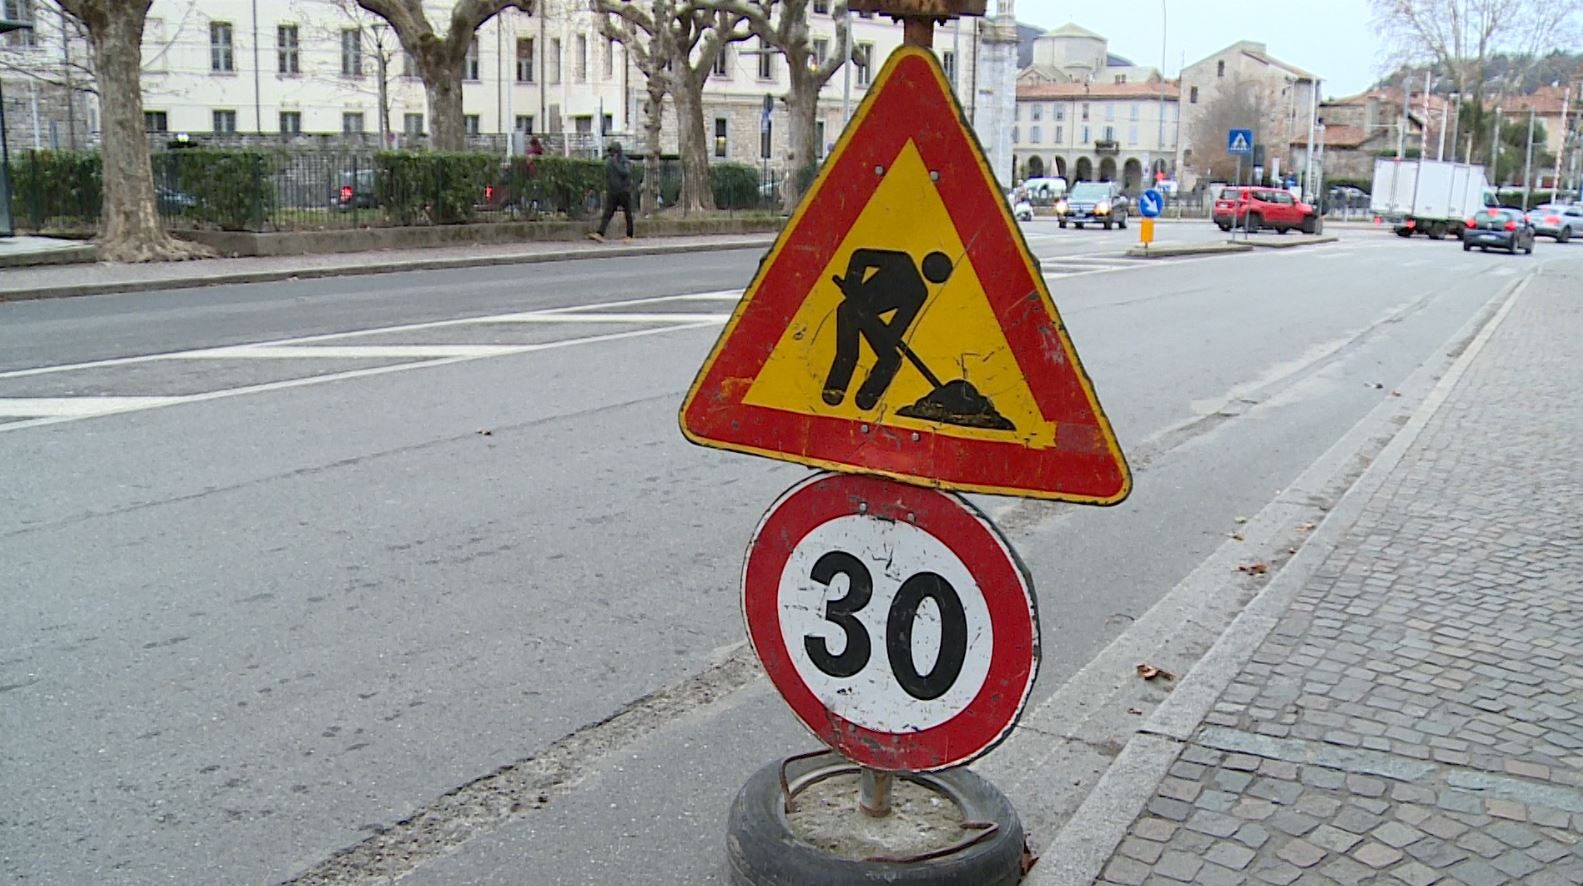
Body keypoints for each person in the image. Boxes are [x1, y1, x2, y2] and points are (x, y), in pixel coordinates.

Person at [589, 141, 634, 243]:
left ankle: (629, 235)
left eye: (614, 152)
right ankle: (600, 233)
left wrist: (616, 164)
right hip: (613, 192)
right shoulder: (609, 162)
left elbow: (626, 172)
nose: (612, 155)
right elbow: (607, 176)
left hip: (624, 191)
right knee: (608, 213)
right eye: (611, 153)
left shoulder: (624, 161)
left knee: (628, 214)